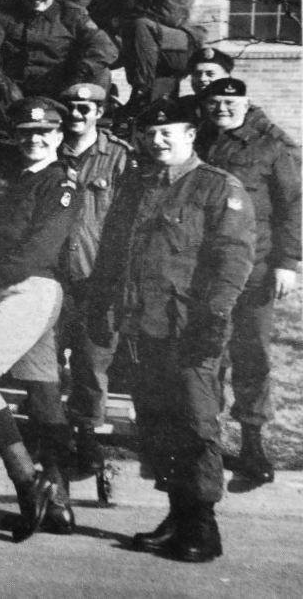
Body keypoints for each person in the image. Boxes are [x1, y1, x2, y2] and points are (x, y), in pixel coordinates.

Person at [85, 98, 255, 563]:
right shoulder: (138, 185)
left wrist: (213, 319)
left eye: (168, 133)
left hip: (191, 330)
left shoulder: (217, 187)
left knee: (196, 424)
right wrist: (102, 305)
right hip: (143, 326)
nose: (157, 141)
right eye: (149, 134)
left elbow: (233, 260)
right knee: (158, 424)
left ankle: (203, 524)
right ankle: (178, 516)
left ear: (190, 135)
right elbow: (113, 252)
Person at [0, 98, 79, 541]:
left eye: (44, 133)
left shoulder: (59, 183)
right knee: (43, 395)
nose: (35, 140)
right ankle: (58, 507)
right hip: (15, 288)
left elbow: (42, 246)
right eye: (27, 133)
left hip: (31, 290)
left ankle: (28, 486)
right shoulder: (21, 179)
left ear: (59, 137)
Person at [195, 78, 301, 486]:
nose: (222, 108)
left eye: (230, 101)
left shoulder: (272, 145)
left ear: (245, 103)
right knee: (207, 352)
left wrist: (287, 262)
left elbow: (293, 206)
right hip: (204, 268)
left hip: (255, 268)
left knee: (251, 353)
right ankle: (207, 440)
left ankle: (253, 446)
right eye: (214, 102)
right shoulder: (198, 139)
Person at [54, 83, 135, 475]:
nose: (76, 114)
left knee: (91, 359)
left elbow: (127, 222)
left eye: (85, 108)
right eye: (70, 106)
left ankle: (85, 432)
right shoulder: (48, 147)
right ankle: (50, 427)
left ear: (100, 113)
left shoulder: (119, 157)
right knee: (46, 355)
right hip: (52, 276)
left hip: (95, 276)